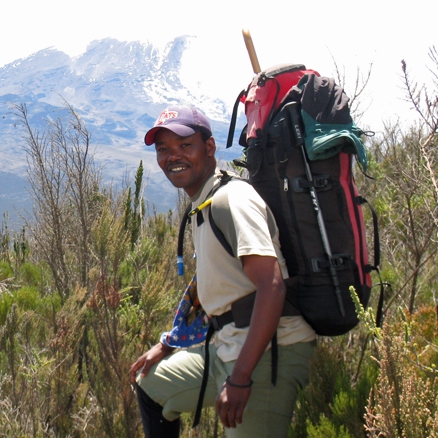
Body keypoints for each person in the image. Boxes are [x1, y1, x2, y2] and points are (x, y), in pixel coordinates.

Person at [130, 105, 316, 437]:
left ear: (209, 147)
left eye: (185, 146)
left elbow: (272, 287)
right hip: (227, 344)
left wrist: (241, 376)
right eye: (164, 150)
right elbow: (215, 283)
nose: (173, 157)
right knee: (151, 384)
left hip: (270, 350)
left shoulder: (231, 201)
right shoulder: (205, 203)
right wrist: (170, 344)